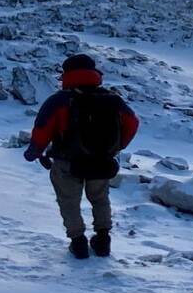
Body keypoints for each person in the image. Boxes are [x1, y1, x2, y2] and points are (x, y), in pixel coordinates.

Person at [24, 54, 139, 259]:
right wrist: (117, 147)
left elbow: (42, 128)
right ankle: (103, 239)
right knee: (100, 198)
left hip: (67, 162)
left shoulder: (59, 101)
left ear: (67, 74)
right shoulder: (111, 99)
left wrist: (34, 152)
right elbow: (132, 122)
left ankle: (78, 243)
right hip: (101, 161)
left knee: (69, 201)